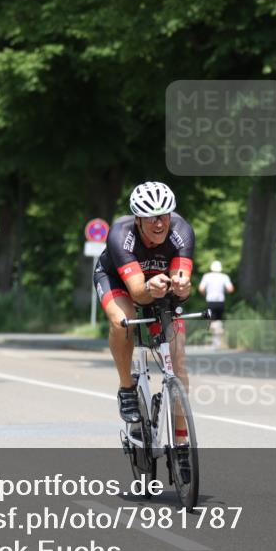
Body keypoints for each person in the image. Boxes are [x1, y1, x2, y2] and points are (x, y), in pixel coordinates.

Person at [93, 181, 194, 424]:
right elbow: (138, 293)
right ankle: (127, 388)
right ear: (138, 219)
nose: (158, 223)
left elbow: (182, 281)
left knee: (178, 361)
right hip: (119, 281)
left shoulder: (182, 231)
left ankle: (182, 448)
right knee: (122, 322)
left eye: (163, 216)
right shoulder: (120, 233)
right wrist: (150, 287)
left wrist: (182, 287)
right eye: (150, 218)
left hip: (159, 285)